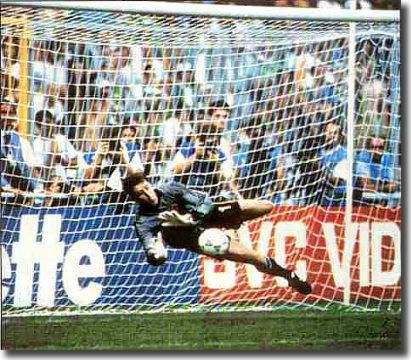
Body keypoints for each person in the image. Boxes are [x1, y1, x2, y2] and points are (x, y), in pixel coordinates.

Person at [122, 171, 312, 295]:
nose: (148, 194)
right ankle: (289, 276)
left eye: (146, 187)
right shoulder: (143, 222)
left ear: (149, 183)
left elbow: (205, 206)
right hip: (197, 239)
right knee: (255, 258)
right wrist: (158, 255)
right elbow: (151, 250)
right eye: (141, 194)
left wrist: (188, 219)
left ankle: (231, 222)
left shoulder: (170, 189)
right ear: (134, 199)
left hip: (209, 215)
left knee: (266, 206)